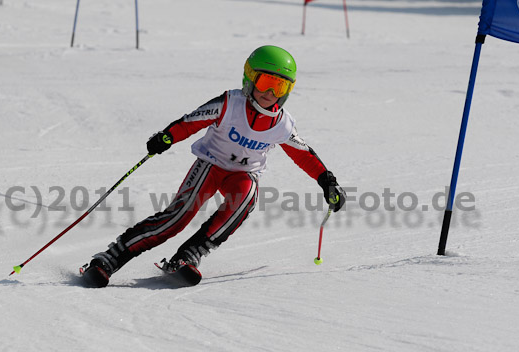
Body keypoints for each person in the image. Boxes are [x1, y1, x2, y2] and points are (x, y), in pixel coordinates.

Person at [82, 45, 346, 288]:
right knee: (176, 219)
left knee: (246, 198)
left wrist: (327, 181)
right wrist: (167, 136)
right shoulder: (230, 104)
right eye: (266, 82)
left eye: (280, 86)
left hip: (242, 174)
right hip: (210, 165)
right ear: (250, 79)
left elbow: (304, 154)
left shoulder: (282, 124)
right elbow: (191, 121)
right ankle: (109, 259)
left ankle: (188, 256)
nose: (270, 93)